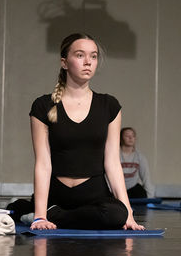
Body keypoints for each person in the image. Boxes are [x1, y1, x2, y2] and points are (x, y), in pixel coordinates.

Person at [29, 33, 143, 230]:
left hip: (94, 195)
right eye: (80, 55)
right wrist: (39, 216)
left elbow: (113, 161)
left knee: (117, 214)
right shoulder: (43, 105)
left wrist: (128, 213)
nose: (88, 62)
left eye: (94, 56)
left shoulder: (109, 105)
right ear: (64, 63)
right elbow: (43, 163)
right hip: (58, 193)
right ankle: (44, 212)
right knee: (44, 210)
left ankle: (58, 217)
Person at [120, 127, 156, 198]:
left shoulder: (140, 157)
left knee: (140, 192)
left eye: (133, 136)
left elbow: (146, 178)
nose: (130, 138)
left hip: (133, 189)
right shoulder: (114, 155)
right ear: (121, 139)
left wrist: (150, 197)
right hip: (117, 188)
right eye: (127, 136)